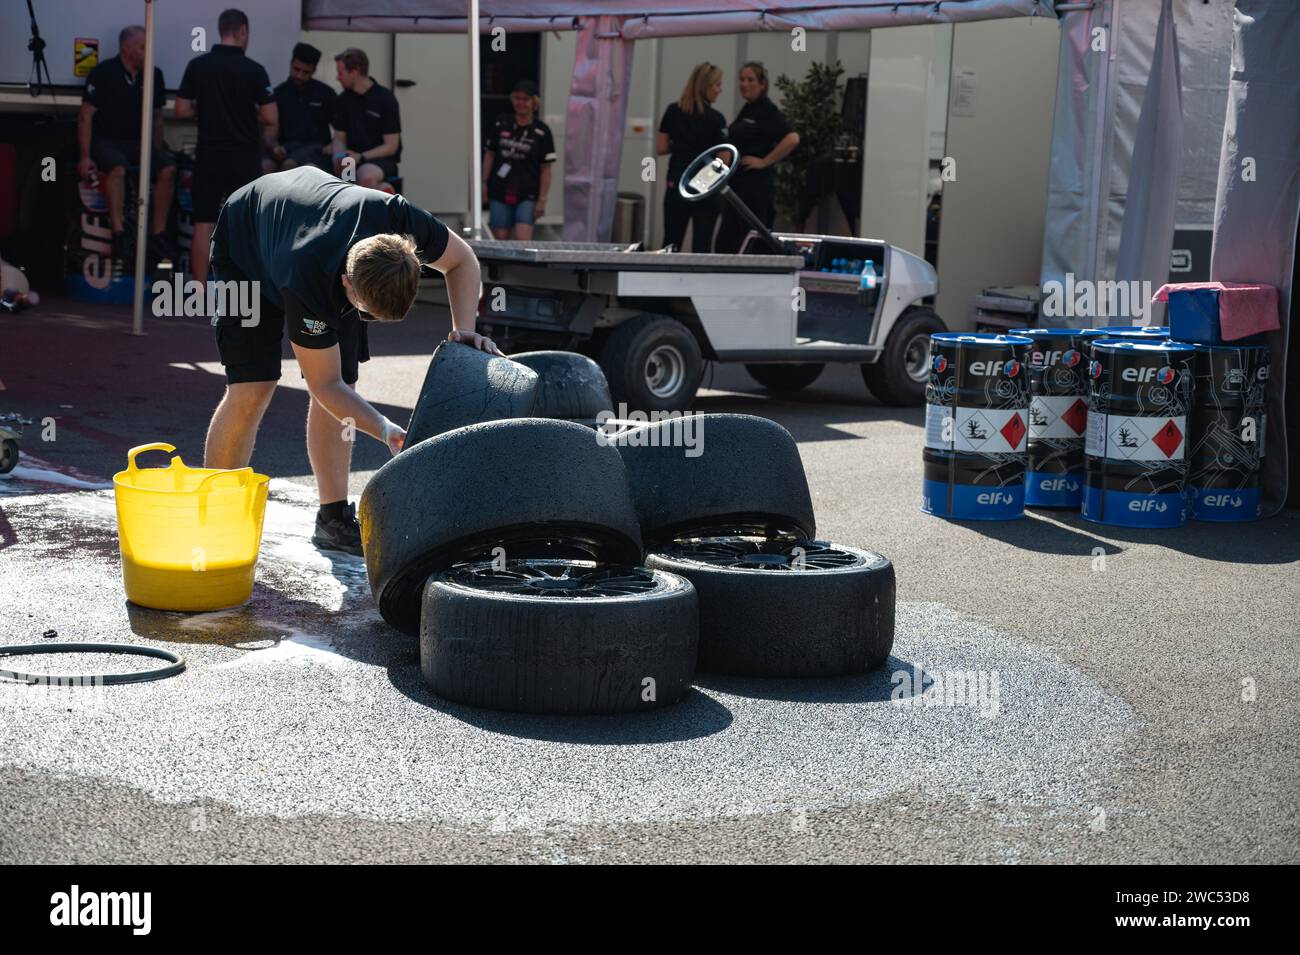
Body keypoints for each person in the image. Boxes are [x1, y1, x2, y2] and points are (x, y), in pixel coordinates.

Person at [203, 166, 499, 556]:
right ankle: (213, 519)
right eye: (365, 313)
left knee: (344, 378)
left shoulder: (399, 218)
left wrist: (463, 330)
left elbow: (462, 261)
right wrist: (386, 429)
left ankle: (333, 519)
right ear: (348, 284)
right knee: (252, 387)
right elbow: (323, 385)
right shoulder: (307, 278)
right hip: (245, 240)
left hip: (311, 227)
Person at [175, 8, 277, 283]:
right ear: (242, 31)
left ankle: (198, 290)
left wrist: (206, 109)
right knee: (244, 225)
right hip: (244, 156)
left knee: (203, 222)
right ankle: (241, 289)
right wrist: (246, 112)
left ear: (221, 31)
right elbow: (270, 116)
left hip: (208, 155)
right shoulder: (255, 70)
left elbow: (181, 110)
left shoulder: (198, 66)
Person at [77, 25, 177, 266]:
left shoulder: (154, 75)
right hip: (107, 141)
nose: (147, 52)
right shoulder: (103, 72)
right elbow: (85, 116)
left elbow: (157, 118)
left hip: (138, 142)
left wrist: (157, 151)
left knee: (169, 169)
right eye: (143, 47)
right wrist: (85, 156)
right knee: (118, 169)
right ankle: (119, 233)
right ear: (126, 48)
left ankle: (157, 234)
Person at [713, 62, 800, 254]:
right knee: (726, 243)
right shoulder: (748, 108)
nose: (745, 84)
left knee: (750, 241)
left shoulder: (767, 110)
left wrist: (765, 161)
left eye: (750, 79)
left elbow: (792, 138)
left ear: (762, 84)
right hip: (736, 188)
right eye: (742, 79)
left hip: (755, 189)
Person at [657, 63, 727, 253]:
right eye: (717, 85)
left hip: (677, 183)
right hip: (705, 187)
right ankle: (699, 282)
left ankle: (665, 281)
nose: (720, 90)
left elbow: (661, 147)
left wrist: (681, 145)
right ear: (706, 86)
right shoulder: (716, 119)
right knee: (702, 246)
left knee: (671, 243)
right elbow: (724, 158)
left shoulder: (673, 111)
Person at [482, 79, 556, 240]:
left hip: (528, 192)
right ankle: (501, 267)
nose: (520, 103)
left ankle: (520, 267)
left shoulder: (542, 131)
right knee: (500, 239)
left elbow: (546, 169)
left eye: (525, 99)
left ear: (534, 102)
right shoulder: (502, 122)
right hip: (500, 189)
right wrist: (483, 183)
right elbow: (490, 154)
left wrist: (542, 200)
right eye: (517, 98)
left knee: (523, 238)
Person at [330, 48, 401, 191]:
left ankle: (377, 200)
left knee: (366, 177)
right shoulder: (343, 100)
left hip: (380, 159)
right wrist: (339, 157)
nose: (338, 78)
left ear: (354, 72)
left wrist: (361, 157)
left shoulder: (385, 99)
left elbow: (391, 146)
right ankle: (382, 192)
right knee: (345, 180)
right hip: (352, 159)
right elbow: (339, 138)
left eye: (340, 73)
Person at [264, 43, 336, 174]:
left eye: (305, 72)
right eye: (296, 69)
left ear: (314, 71)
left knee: (290, 166)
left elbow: (341, 130)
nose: (299, 75)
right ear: (291, 64)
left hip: (316, 152)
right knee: (266, 166)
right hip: (285, 149)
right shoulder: (279, 93)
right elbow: (270, 131)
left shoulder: (326, 94)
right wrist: (274, 147)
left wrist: (334, 146)